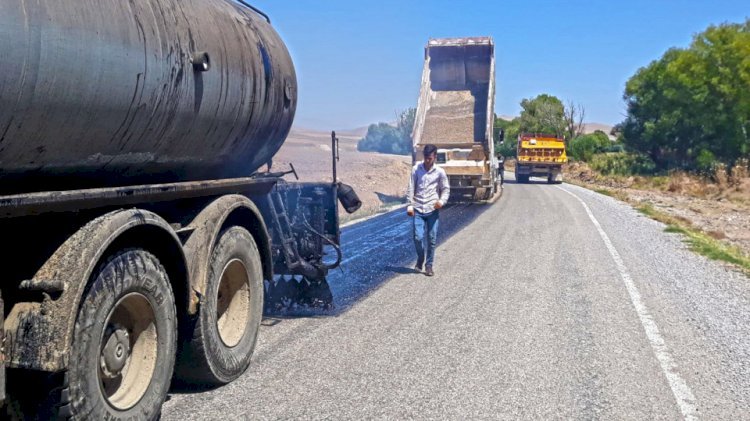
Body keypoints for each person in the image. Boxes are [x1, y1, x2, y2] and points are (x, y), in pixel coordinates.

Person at [406, 144, 450, 276]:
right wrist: (409, 205)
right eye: (425, 157)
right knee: (418, 238)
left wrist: (441, 201)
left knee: (432, 238)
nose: (427, 160)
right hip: (418, 208)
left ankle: (429, 265)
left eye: (430, 158)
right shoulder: (416, 169)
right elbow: (411, 187)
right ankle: (420, 258)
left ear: (435, 157)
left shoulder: (440, 172)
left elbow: (445, 189)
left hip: (432, 210)